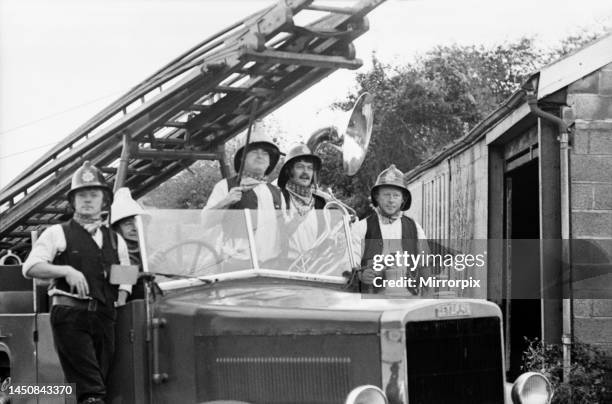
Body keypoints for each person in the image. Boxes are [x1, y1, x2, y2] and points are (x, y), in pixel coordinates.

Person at [22, 161, 132, 404]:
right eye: (82, 195)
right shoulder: (57, 233)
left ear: (104, 201)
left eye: (94, 194)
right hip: (70, 314)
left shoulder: (115, 240)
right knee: (92, 389)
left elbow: (124, 277)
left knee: (100, 382)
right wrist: (66, 270)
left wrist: (120, 298)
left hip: (104, 317)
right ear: (73, 202)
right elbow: (30, 267)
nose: (88, 200)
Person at [202, 132, 285, 268]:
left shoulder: (276, 192)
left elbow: (283, 230)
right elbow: (205, 222)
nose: (260, 156)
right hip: (237, 265)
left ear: (270, 161)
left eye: (265, 153)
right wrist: (226, 201)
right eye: (253, 152)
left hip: (271, 266)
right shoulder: (225, 186)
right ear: (242, 159)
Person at [351, 164, 428, 292]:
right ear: (376, 196)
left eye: (396, 195)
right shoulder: (361, 227)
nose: (391, 200)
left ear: (403, 199)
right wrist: (360, 275)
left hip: (407, 301)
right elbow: (351, 264)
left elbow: (425, 264)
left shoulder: (414, 227)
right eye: (386, 195)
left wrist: (429, 295)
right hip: (372, 303)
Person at [277, 143, 329, 259]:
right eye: (300, 167)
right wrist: (295, 222)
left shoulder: (320, 202)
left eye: (310, 168)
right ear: (289, 171)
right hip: (285, 269)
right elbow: (272, 238)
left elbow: (324, 239)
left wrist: (337, 242)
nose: (306, 172)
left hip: (315, 269)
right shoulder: (279, 197)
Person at [109, 187, 148, 301]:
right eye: (128, 224)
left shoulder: (149, 249)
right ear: (117, 229)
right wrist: (141, 274)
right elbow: (116, 279)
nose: (134, 228)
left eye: (137, 223)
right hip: (128, 307)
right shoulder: (112, 252)